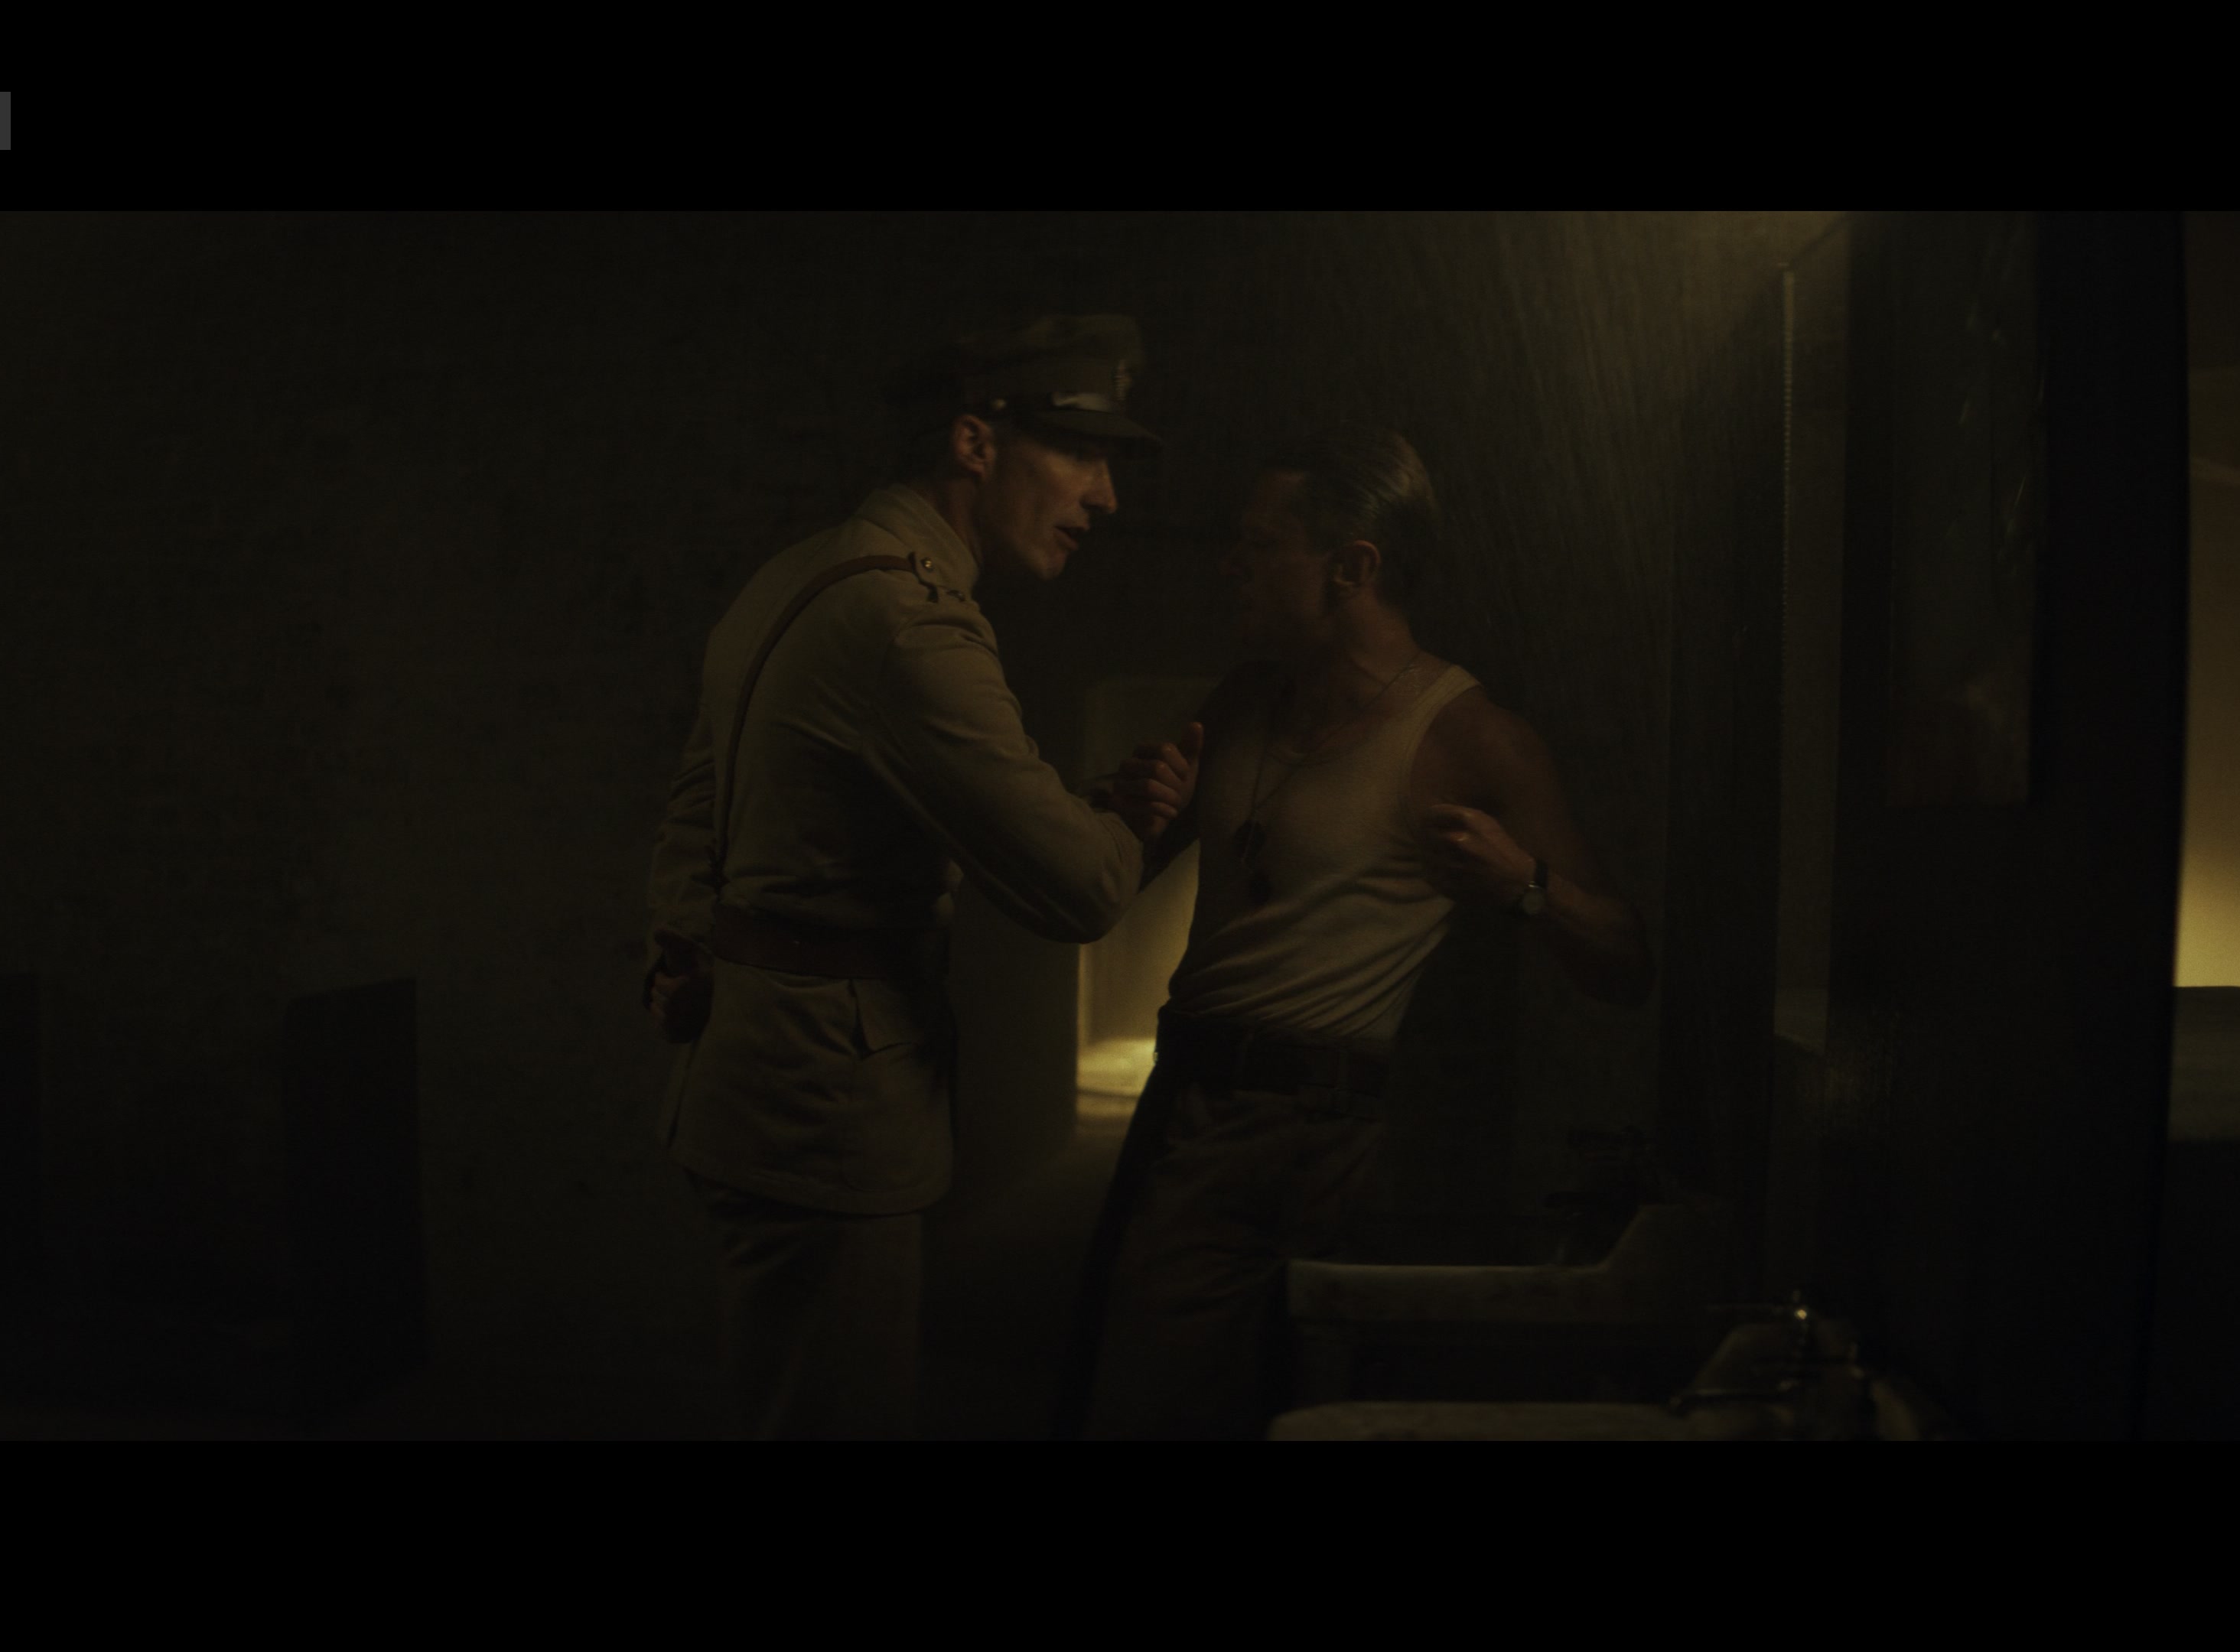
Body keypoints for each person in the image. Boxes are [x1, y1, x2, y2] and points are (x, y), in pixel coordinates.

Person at [1068, 426, 1654, 1440]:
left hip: (1335, 1139)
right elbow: (1105, 874)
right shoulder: (1244, 700)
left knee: (1305, 1410)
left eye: (1260, 545)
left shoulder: (1472, 739)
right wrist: (1130, 809)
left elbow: (1625, 961)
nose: (1230, 565)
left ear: (1353, 569)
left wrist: (1525, 887)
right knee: (1129, 1395)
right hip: (1192, 1107)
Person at [644, 315, 1167, 1439]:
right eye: (1082, 454)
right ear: (975, 444)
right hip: (825, 1118)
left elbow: (694, 820)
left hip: (744, 1083)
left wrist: (693, 960)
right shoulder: (909, 625)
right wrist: (1135, 819)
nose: (1107, 495)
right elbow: (1080, 890)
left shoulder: (799, 575)